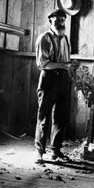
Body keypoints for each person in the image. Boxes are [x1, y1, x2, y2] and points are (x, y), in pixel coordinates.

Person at [34, 9, 71, 164]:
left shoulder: (65, 39)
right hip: (48, 80)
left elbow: (66, 61)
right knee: (44, 117)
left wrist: (69, 66)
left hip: (63, 80)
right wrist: (64, 65)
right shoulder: (44, 38)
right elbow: (42, 63)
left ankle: (55, 151)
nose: (61, 23)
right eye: (57, 20)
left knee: (61, 117)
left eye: (63, 20)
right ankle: (39, 153)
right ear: (50, 21)